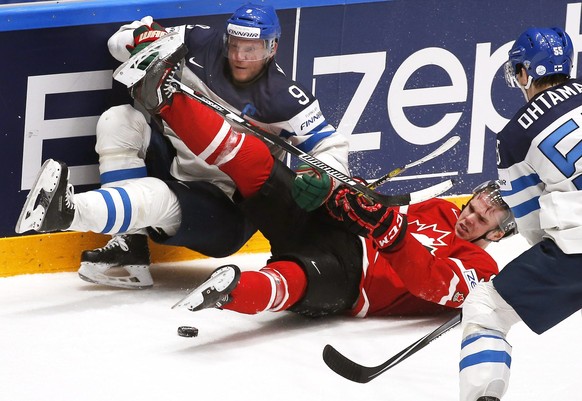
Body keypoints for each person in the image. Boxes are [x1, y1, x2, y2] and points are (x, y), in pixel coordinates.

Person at [16, 3, 347, 289]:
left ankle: (70, 213)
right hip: (177, 163)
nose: (239, 57)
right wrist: (141, 41)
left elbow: (330, 146)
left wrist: (321, 175)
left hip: (226, 210)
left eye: (253, 49)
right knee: (118, 120)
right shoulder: (198, 41)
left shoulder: (286, 98)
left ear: (272, 48)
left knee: (156, 196)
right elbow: (118, 43)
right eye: (234, 45)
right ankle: (130, 247)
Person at [458, 27, 582, 401]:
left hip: (577, 246)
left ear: (526, 72)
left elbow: (530, 225)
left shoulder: (513, 137)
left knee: (486, 308)